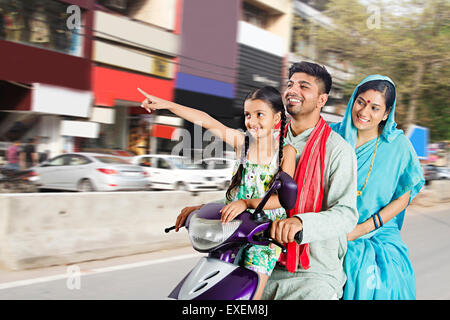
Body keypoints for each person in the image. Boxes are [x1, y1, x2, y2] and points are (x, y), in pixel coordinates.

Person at [140, 86, 297, 300]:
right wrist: (167, 105)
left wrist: (246, 203)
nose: (252, 121)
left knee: (251, 297)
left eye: (260, 114)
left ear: (277, 117)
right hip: (232, 228)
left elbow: (281, 200)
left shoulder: (286, 152)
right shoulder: (243, 143)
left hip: (263, 234)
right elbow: (206, 120)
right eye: (248, 115)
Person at [262, 61, 359, 300]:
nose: (292, 90)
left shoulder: (338, 150)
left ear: (322, 100)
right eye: (290, 84)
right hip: (262, 261)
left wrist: (300, 223)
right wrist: (211, 206)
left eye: (303, 86)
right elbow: (250, 189)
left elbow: (346, 214)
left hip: (313, 273)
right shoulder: (267, 142)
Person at [329, 75, 425, 300]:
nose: (364, 112)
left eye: (375, 108)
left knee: (386, 280)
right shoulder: (330, 135)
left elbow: (403, 197)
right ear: (353, 100)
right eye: (360, 102)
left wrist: (361, 230)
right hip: (331, 223)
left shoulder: (398, 146)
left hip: (377, 230)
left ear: (386, 113)